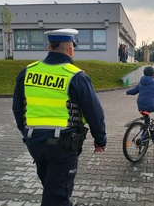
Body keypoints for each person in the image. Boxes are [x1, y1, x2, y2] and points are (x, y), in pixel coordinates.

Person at [12, 28, 107, 206]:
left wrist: (26, 132)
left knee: (51, 188)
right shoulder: (76, 76)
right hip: (62, 146)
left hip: (34, 143)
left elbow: (18, 109)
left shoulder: (27, 72)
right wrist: (100, 140)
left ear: (49, 46)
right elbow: (95, 112)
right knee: (56, 197)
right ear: (71, 49)